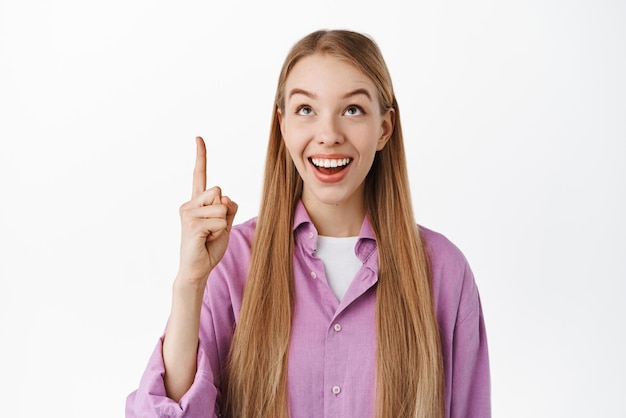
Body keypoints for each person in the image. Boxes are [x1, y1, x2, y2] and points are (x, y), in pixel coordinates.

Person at [126, 29, 490, 418]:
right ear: (283, 126)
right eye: (306, 110)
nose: (329, 135)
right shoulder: (232, 261)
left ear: (384, 128)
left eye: (352, 110)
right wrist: (189, 284)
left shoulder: (444, 272)